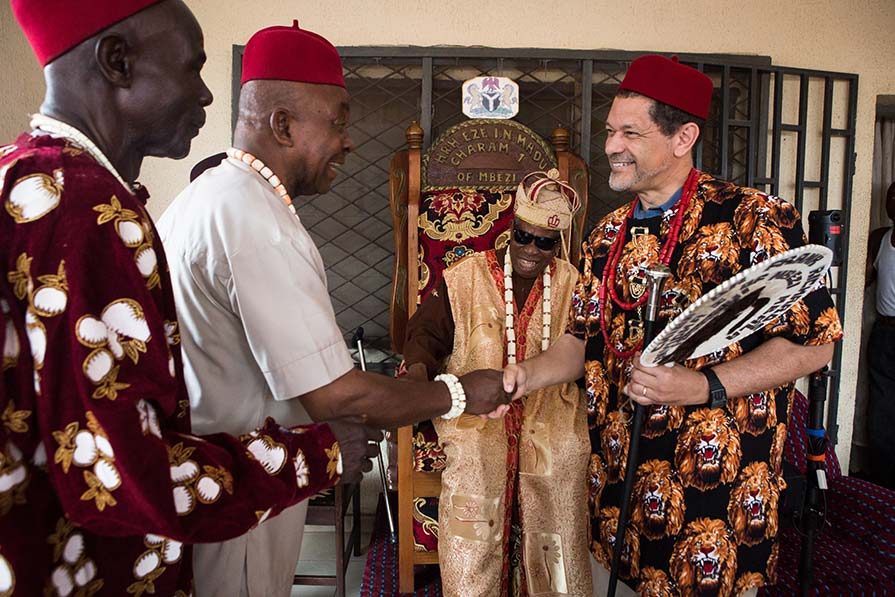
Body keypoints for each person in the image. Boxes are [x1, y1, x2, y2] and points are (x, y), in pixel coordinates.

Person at [0, 2, 381, 595]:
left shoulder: (34, 181)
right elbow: (129, 479)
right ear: (118, 61)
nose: (206, 97)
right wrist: (320, 454)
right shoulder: (81, 209)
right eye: (191, 67)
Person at [157, 22, 509, 596]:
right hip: (239, 500)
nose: (349, 141)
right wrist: (462, 392)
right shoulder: (250, 218)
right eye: (339, 120)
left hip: (229, 479)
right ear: (283, 123)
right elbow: (336, 394)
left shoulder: (217, 196)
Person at [503, 54, 842, 595]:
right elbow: (580, 343)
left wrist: (705, 385)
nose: (612, 145)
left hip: (717, 513)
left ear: (683, 136)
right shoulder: (605, 235)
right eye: (611, 130)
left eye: (631, 133)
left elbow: (813, 346)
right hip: (617, 499)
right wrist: (522, 375)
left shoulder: (753, 218)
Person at [402, 171, 593, 596]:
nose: (530, 250)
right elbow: (425, 336)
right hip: (475, 416)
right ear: (512, 229)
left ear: (557, 243)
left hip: (551, 412)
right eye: (523, 237)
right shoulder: (464, 277)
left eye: (544, 242)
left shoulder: (573, 284)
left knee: (563, 455)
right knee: (473, 462)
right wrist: (416, 377)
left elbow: (590, 352)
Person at [865, 181, 895, 489]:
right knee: (882, 406)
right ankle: (881, 481)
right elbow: (864, 280)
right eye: (891, 196)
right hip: (885, 331)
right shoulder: (881, 239)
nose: (893, 201)